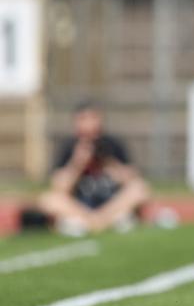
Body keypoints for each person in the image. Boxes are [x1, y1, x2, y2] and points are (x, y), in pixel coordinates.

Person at [38, 100, 152, 236]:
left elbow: (133, 180)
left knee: (140, 189)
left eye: (93, 118)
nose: (90, 124)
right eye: (84, 119)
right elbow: (59, 187)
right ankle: (97, 222)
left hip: (110, 203)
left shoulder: (112, 144)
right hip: (81, 205)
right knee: (48, 200)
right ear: (76, 122)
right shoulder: (69, 147)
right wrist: (77, 164)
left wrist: (110, 163)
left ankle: (95, 222)